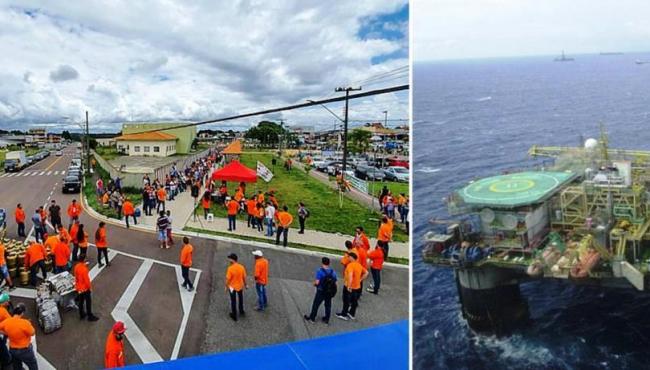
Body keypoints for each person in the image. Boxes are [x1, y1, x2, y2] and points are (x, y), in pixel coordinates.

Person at [0, 303, 37, 370]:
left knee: (17, 366)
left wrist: (6, 333)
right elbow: (32, 332)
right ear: (22, 313)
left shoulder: (6, 321)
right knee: (32, 365)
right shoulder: (25, 323)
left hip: (13, 350)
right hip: (25, 350)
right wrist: (29, 324)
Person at [304, 257, 337, 324]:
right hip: (329, 292)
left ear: (322, 262)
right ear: (329, 263)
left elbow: (317, 282)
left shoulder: (320, 271)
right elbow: (335, 283)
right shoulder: (333, 272)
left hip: (321, 291)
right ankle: (326, 319)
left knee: (316, 304)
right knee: (328, 305)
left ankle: (312, 318)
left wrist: (314, 284)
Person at [336, 252, 368, 321]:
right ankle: (352, 314)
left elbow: (350, 275)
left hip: (349, 286)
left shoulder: (350, 265)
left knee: (346, 300)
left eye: (349, 257)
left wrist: (349, 286)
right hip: (357, 286)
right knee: (354, 301)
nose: (348, 258)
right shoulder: (359, 265)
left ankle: (344, 314)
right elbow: (366, 273)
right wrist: (360, 279)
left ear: (351, 258)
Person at [74, 253, 99, 321]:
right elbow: (87, 281)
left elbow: (76, 276)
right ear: (84, 259)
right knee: (88, 302)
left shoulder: (77, 266)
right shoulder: (84, 270)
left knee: (81, 301)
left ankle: (81, 314)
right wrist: (90, 288)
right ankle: (90, 316)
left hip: (79, 287)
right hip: (85, 288)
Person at [225, 253, 247, 321]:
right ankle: (241, 310)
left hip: (232, 287)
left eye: (230, 258)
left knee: (233, 300)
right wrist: (245, 284)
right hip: (240, 286)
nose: (229, 260)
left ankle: (234, 315)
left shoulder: (230, 268)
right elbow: (244, 277)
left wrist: (226, 287)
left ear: (232, 260)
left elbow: (228, 279)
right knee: (240, 299)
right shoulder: (241, 267)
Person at [0, 293, 12, 365]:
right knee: (2, 346)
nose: (9, 302)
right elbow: (11, 321)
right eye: (8, 301)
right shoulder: (3, 311)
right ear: (4, 302)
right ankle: (6, 360)